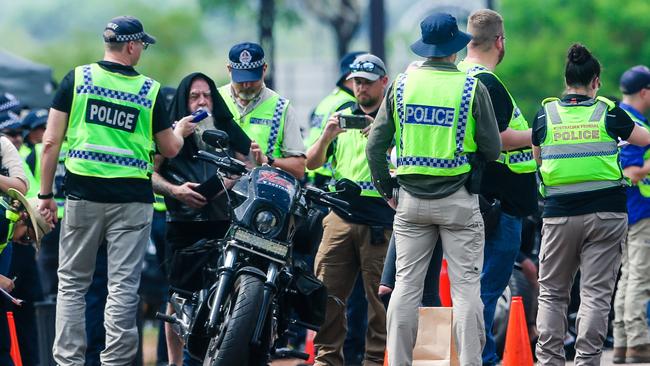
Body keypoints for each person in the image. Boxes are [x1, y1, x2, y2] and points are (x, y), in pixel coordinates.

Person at [38, 16, 185, 365]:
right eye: (143, 46)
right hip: (132, 200)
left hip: (83, 195)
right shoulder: (149, 90)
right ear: (132, 46)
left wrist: (45, 196)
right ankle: (116, 362)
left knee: (73, 284)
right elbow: (169, 149)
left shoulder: (78, 79)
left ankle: (68, 361)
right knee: (123, 286)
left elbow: (50, 142)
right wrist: (180, 130)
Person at [367, 12, 502, 365]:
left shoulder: (401, 85)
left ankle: (398, 361)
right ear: (455, 49)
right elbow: (492, 148)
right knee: (466, 291)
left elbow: (374, 146)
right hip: (458, 200)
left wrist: (387, 190)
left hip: (410, 203)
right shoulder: (472, 86)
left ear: (425, 48)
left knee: (406, 288)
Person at [532, 44, 650, 365]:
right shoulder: (609, 112)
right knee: (596, 294)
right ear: (595, 81)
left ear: (565, 79)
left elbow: (538, 162)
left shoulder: (545, 114)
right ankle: (587, 361)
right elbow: (644, 138)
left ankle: (550, 360)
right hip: (606, 214)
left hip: (558, 214)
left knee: (553, 293)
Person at [455, 9, 538, 365]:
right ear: (499, 42)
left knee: (471, 288)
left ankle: (470, 356)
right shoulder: (487, 82)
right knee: (486, 289)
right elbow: (500, 139)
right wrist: (541, 135)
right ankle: (482, 359)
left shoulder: (456, 75)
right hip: (498, 206)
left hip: (473, 200)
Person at [153, 72, 251, 366]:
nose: (201, 102)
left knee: (222, 291)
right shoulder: (170, 133)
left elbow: (247, 163)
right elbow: (149, 172)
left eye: (206, 95)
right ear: (184, 101)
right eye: (194, 96)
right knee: (177, 295)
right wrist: (175, 190)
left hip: (222, 221)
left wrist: (230, 181)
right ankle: (174, 362)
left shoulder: (223, 127)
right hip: (181, 221)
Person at [306, 53, 393, 366]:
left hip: (380, 222)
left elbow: (405, 163)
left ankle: (374, 359)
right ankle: (327, 358)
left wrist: (383, 138)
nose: (361, 88)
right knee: (326, 292)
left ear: (383, 82)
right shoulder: (340, 113)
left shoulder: (393, 117)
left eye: (368, 83)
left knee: (380, 300)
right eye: (356, 82)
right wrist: (327, 136)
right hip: (340, 216)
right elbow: (311, 162)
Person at [218, 42, 305, 179]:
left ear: (264, 69)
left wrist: (268, 161)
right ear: (229, 70)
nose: (246, 85)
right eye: (240, 80)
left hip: (264, 192)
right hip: (220, 191)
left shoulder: (281, 108)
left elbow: (299, 169)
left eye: (253, 79)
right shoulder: (216, 100)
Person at [610, 65, 650, 364]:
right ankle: (637, 342)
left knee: (627, 277)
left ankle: (623, 343)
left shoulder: (617, 116)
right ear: (645, 92)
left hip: (625, 211)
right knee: (639, 277)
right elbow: (632, 172)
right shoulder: (632, 123)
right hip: (639, 212)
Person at [306, 51, 362, 188]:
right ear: (350, 77)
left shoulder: (330, 99)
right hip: (329, 175)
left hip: (314, 174)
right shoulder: (348, 105)